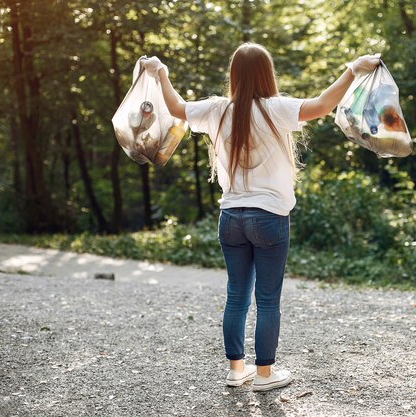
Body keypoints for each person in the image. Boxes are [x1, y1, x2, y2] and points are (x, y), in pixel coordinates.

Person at [141, 44, 379, 392]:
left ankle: (237, 371)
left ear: (233, 75)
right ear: (268, 74)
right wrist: (353, 68)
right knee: (267, 299)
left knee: (236, 296)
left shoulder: (216, 110)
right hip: (268, 219)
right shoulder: (276, 109)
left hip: (231, 217)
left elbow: (175, 107)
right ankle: (265, 375)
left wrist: (160, 71)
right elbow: (324, 104)